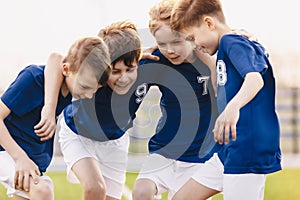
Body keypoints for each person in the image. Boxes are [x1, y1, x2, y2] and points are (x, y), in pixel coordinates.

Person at [170, 0, 281, 199]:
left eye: (193, 37)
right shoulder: (228, 46)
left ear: (209, 23)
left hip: (246, 149)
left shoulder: (232, 41)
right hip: (229, 150)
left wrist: (233, 108)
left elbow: (255, 79)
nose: (195, 44)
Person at [44, 21, 147, 200]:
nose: (124, 78)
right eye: (115, 71)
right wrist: (49, 109)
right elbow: (55, 59)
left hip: (115, 142)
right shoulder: (93, 73)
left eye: (130, 69)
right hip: (78, 134)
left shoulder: (146, 68)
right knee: (95, 188)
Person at [0, 36, 111, 200]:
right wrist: (20, 158)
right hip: (8, 152)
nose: (88, 95)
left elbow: (61, 59)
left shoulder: (72, 85)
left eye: (93, 91)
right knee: (42, 189)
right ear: (66, 70)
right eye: (85, 87)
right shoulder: (33, 79)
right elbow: (56, 57)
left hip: (31, 160)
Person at [132, 1, 220, 199]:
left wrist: (203, 55)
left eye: (176, 42)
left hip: (199, 158)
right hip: (163, 151)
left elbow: (220, 88)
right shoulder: (156, 60)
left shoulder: (210, 59)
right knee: (140, 192)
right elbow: (118, 81)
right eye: (162, 44)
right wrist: (133, 59)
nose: (169, 50)